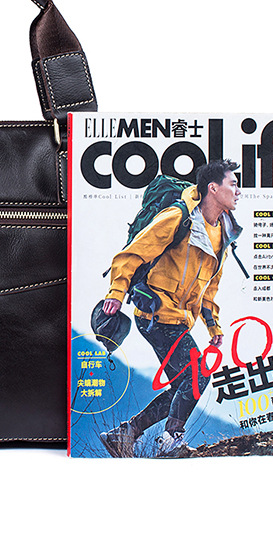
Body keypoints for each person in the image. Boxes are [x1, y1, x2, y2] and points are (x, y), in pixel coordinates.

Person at [100, 159, 242, 457]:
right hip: (155, 312)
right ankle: (171, 439)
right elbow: (131, 254)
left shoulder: (223, 233)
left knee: (183, 385)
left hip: (180, 318)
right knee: (198, 375)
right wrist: (116, 292)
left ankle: (124, 434)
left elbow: (209, 287)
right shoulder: (178, 217)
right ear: (213, 188)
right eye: (233, 184)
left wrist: (213, 325)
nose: (238, 191)